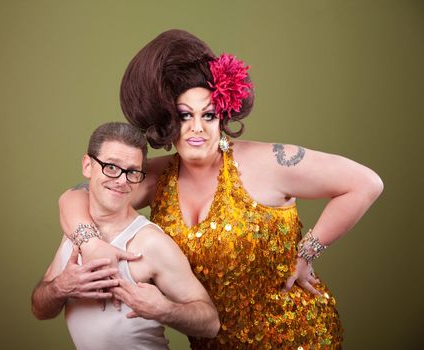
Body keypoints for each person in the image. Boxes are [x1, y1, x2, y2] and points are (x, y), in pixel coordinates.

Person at [59, 30, 384, 349]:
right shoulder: (158, 177)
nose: (197, 128)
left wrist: (307, 253)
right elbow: (81, 195)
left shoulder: (267, 162)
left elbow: (364, 183)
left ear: (223, 115)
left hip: (297, 338)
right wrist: (89, 242)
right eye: (184, 116)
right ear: (167, 121)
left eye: (209, 114)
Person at [31, 122, 220, 349]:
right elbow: (39, 309)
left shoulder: (150, 243)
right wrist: (60, 287)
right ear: (87, 166)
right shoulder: (76, 229)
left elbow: (210, 323)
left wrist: (164, 309)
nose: (122, 180)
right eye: (111, 167)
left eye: (132, 172)